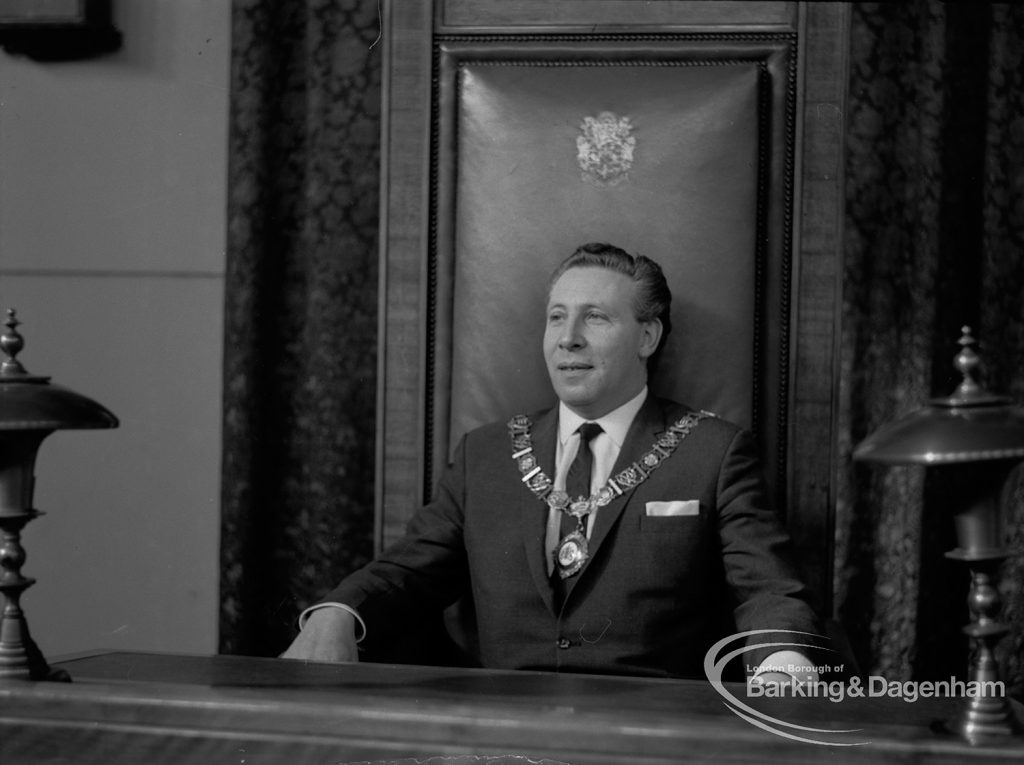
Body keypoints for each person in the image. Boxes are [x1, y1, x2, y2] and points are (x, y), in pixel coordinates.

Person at [282, 242, 820, 680]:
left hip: (651, 732)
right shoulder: (486, 454)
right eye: (556, 317)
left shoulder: (713, 451)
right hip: (500, 733)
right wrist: (339, 612)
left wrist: (782, 665)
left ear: (648, 336)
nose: (568, 339)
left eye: (596, 319)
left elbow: (768, 588)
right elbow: (409, 571)